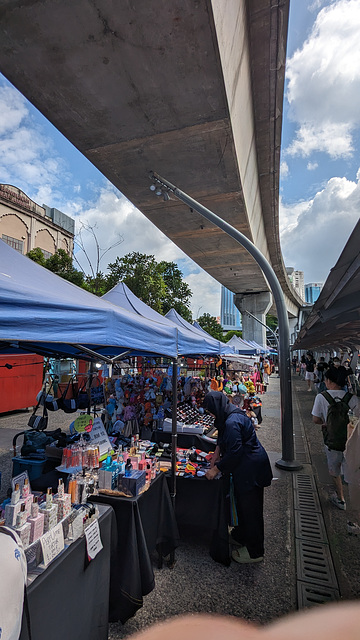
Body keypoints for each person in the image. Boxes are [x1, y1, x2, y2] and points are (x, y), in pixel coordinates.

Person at [203, 391, 272, 564]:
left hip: (251, 468)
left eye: (211, 411)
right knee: (243, 505)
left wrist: (216, 469)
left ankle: (255, 552)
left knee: (251, 510)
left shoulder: (232, 422)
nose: (211, 414)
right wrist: (216, 455)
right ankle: (241, 535)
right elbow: (221, 438)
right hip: (246, 466)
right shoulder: (228, 413)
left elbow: (235, 452)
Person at [312, 367, 359, 509]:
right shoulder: (352, 398)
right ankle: (354, 501)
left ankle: (341, 498)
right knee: (352, 467)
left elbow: (315, 419)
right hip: (351, 440)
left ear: (330, 381)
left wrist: (326, 423)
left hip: (332, 440)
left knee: (334, 470)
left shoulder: (322, 397)